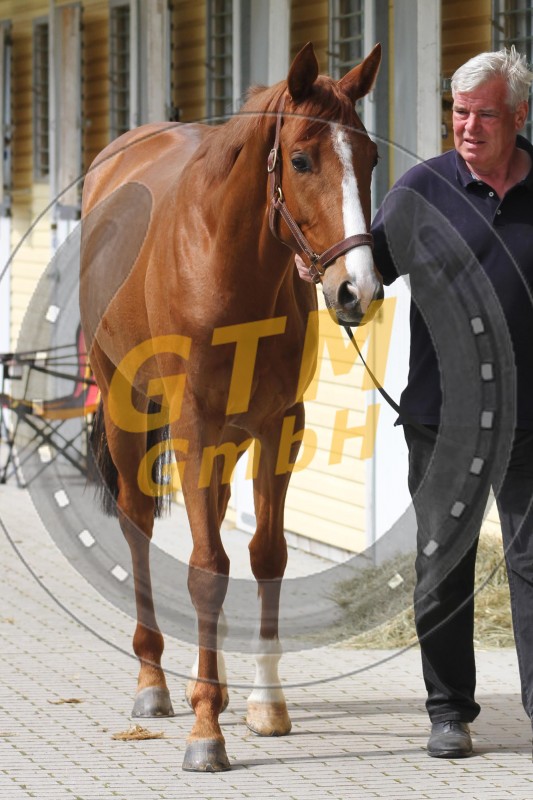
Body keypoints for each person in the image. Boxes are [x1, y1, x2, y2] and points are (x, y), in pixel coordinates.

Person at [296, 47, 533, 758]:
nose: (467, 126)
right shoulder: (419, 191)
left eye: (483, 114)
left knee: (531, 564)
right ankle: (448, 712)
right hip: (441, 418)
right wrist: (327, 275)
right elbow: (364, 282)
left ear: (518, 116)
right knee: (443, 566)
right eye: (458, 112)